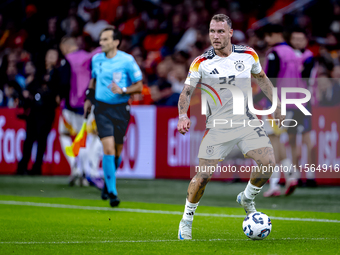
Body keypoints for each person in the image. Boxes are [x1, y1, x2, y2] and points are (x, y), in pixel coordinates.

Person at [177, 14, 285, 240]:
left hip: (247, 122)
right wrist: (182, 115)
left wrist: (276, 104)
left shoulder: (248, 54)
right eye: (212, 31)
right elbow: (187, 91)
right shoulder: (201, 62)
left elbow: (263, 79)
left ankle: (247, 197)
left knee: (268, 163)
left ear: (230, 33)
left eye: (220, 31)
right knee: (203, 175)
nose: (215, 36)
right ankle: (186, 220)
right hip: (218, 127)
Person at [84, 26, 143, 207]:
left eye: (105, 39)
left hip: (120, 109)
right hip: (101, 108)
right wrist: (88, 97)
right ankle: (113, 192)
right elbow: (93, 79)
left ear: (116, 42)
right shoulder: (96, 59)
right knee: (108, 148)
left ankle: (107, 184)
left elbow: (139, 86)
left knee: (117, 151)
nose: (101, 43)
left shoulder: (127, 60)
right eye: (101, 39)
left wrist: (123, 90)